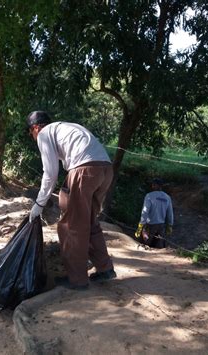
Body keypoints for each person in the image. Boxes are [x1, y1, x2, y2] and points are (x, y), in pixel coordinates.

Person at [27, 111, 116, 290]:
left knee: (71, 226)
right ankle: (105, 269)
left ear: (36, 128)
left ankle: (77, 280)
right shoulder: (65, 127)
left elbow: (50, 174)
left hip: (84, 171)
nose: (33, 137)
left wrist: (39, 204)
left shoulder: (44, 134)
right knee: (89, 221)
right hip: (105, 170)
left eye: (31, 134)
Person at [135, 178, 173, 248]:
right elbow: (170, 213)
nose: (152, 186)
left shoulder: (149, 196)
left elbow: (145, 211)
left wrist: (141, 225)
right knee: (160, 246)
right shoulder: (167, 197)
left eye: (153, 185)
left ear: (157, 186)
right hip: (161, 225)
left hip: (150, 225)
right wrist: (170, 225)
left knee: (145, 244)